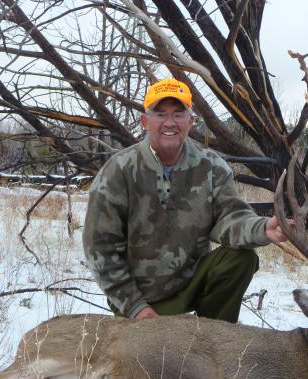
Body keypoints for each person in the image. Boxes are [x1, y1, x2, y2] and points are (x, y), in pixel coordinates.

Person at [84, 78, 288, 321]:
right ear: (145, 121)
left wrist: (263, 228)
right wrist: (135, 307)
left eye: (178, 114)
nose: (170, 123)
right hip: (139, 299)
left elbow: (229, 217)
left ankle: (212, 335)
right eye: (160, 114)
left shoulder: (211, 166)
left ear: (190, 122)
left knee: (241, 258)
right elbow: (100, 247)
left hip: (189, 288)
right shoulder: (118, 170)